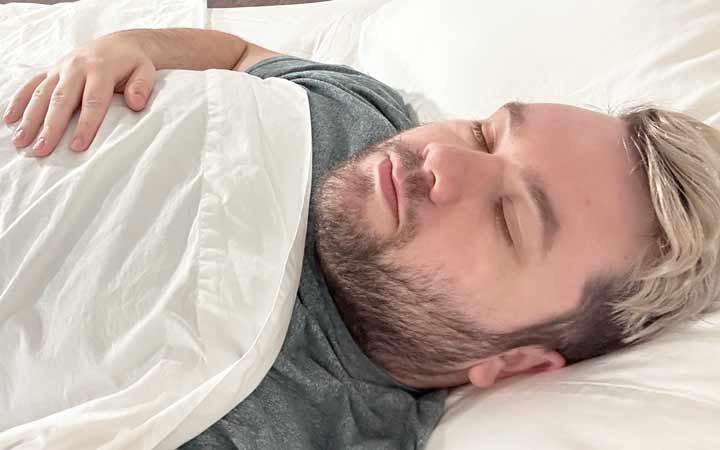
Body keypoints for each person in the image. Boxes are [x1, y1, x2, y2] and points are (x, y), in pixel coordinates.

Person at [5, 28, 720, 449]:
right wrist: (127, 46)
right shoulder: (365, 111)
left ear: (517, 366)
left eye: (508, 217)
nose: (443, 160)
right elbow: (238, 52)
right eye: (485, 132)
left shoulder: (319, 426)